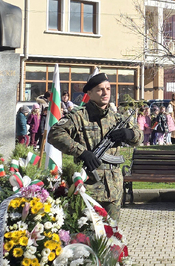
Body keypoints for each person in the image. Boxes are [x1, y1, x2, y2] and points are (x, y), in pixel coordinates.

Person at [48, 73, 141, 222]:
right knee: (86, 236)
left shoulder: (117, 118)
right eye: (100, 89)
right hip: (88, 187)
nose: (105, 93)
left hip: (114, 187)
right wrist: (82, 152)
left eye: (108, 89)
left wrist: (129, 134)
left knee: (112, 235)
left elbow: (138, 137)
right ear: (89, 93)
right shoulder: (78, 116)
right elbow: (55, 134)